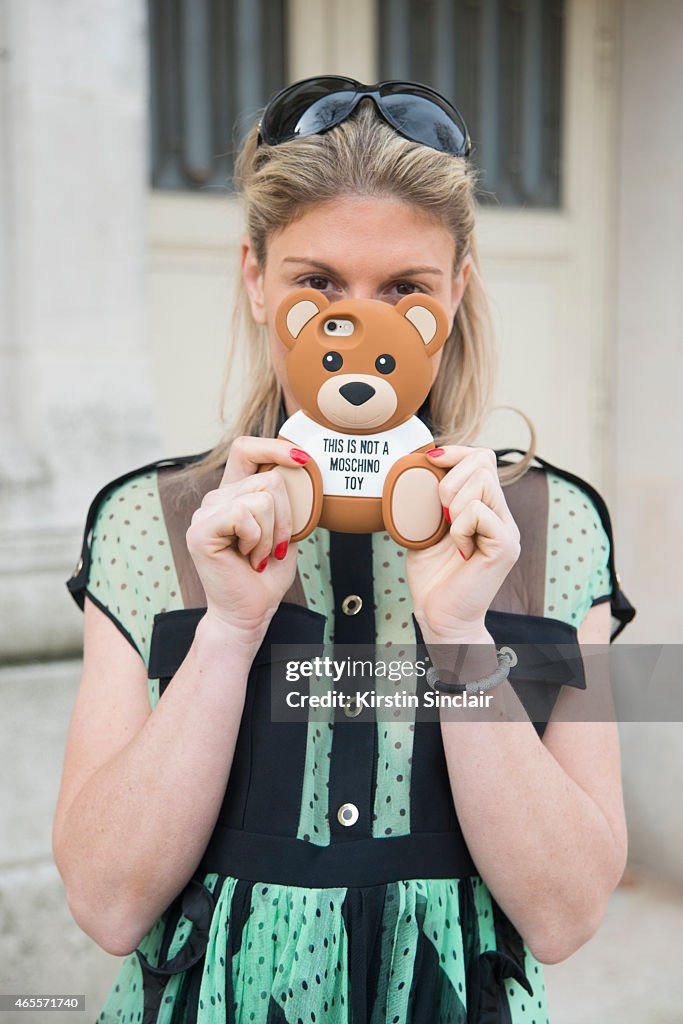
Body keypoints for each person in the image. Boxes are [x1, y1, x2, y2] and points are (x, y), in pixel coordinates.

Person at [52, 77, 637, 1024]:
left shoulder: (556, 527)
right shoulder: (146, 522)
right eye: (316, 283)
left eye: (402, 287)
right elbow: (108, 905)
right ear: (255, 279)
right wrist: (229, 631)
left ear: (456, 289)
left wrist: (461, 637)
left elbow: (565, 914)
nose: (357, 329)